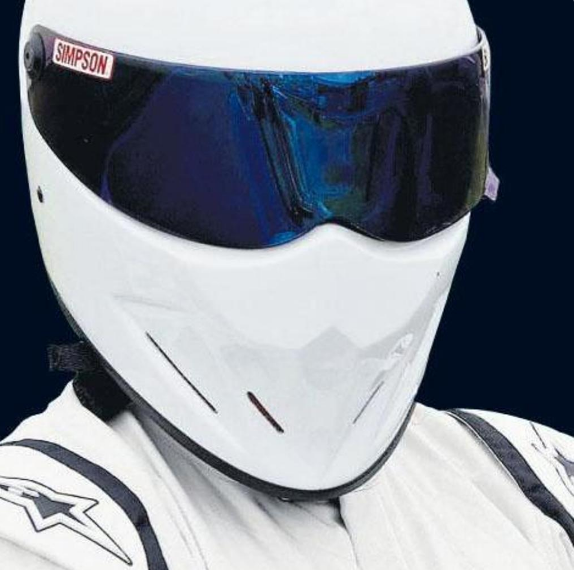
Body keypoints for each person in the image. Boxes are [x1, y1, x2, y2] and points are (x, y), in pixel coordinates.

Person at [1, 0, 572, 568]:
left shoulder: (530, 480)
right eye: (225, 166)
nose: (333, 260)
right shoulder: (38, 541)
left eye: (374, 164)